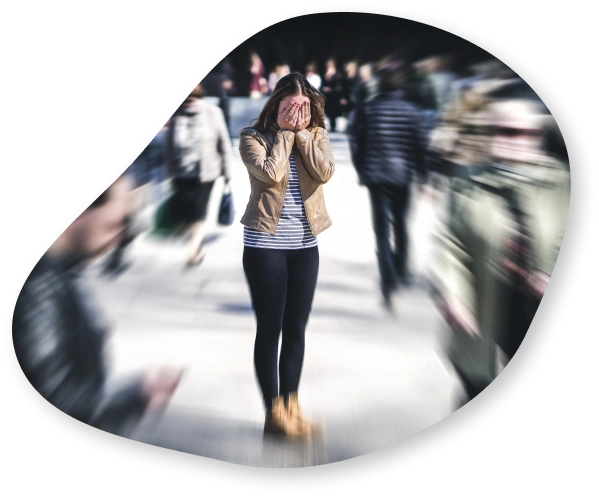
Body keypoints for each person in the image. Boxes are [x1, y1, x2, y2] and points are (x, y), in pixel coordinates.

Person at [10, 174, 184, 438]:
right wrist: (138, 394)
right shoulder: (38, 289)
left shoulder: (60, 272)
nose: (124, 234)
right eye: (120, 221)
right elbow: (55, 401)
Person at [429, 87, 571, 407]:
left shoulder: (563, 183)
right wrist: (453, 293)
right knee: (476, 387)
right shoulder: (467, 179)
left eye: (514, 132)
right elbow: (449, 242)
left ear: (535, 136)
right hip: (483, 305)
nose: (503, 138)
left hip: (534, 306)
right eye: (494, 130)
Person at [237, 73, 335, 439]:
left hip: (306, 246)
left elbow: (324, 172)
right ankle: (273, 414)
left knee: (296, 328)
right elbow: (271, 174)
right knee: (270, 329)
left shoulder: (318, 135)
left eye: (304, 107)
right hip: (265, 246)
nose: (298, 113)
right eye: (290, 107)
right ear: (275, 105)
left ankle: (292, 407)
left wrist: (304, 135)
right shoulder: (253, 137)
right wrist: (284, 134)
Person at [348, 59, 429, 311]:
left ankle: (387, 279)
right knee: (401, 223)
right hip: (402, 176)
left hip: (376, 176)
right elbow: (421, 147)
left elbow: (356, 143)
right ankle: (401, 269)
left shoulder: (367, 109)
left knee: (381, 231)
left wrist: (362, 169)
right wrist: (423, 176)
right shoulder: (412, 111)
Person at [165, 83, 233, 269]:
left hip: (206, 173)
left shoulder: (212, 113)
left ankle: (193, 251)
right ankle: (196, 243)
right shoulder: (177, 114)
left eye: (192, 99)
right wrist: (170, 173)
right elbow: (169, 145)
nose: (189, 103)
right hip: (182, 173)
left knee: (198, 212)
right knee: (187, 213)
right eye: (186, 100)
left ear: (199, 97)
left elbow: (224, 142)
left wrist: (228, 172)